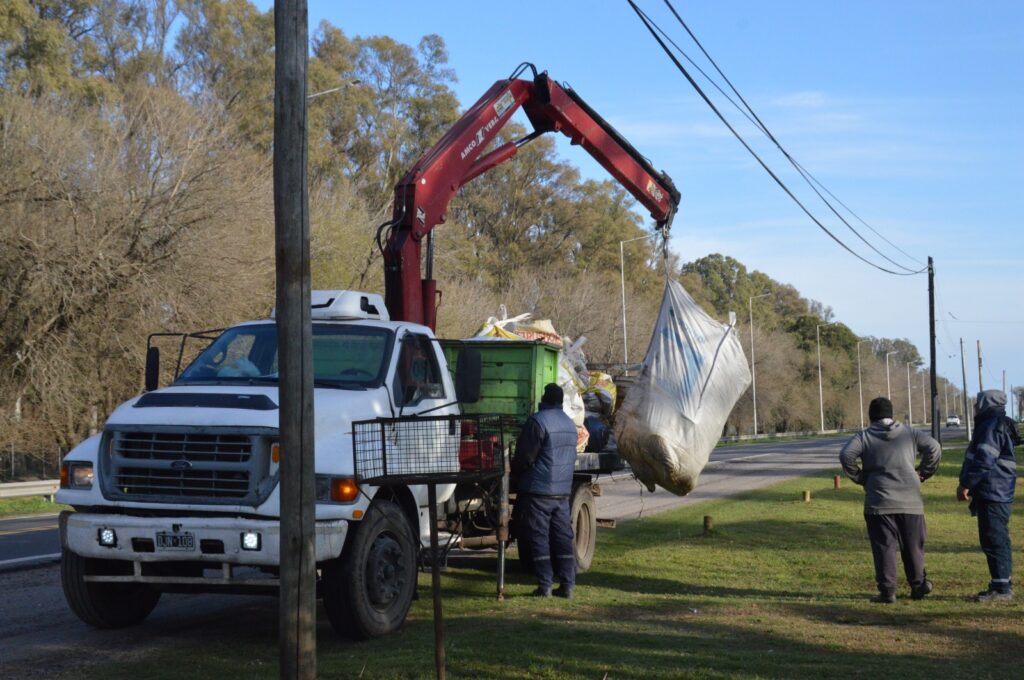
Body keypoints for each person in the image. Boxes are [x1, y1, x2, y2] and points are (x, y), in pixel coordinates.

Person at [840, 396, 941, 603]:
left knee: (884, 546)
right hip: (910, 500)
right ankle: (918, 584)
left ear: (870, 416)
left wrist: (861, 478)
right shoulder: (910, 433)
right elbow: (934, 448)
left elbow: (846, 455)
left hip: (879, 501)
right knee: (913, 545)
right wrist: (922, 473)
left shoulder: (864, 437)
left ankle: (887, 592)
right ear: (891, 414)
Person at [513, 383, 578, 598]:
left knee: (539, 538)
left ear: (544, 398)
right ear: (560, 401)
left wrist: (516, 475)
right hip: (562, 491)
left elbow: (525, 457)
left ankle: (545, 585)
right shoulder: (570, 424)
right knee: (562, 538)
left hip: (539, 491)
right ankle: (568, 585)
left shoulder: (537, 421)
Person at [957, 389, 1020, 602]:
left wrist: (966, 483)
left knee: (994, 539)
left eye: (977, 403)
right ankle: (1000, 584)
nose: (975, 406)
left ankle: (1002, 589)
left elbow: (985, 459)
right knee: (994, 538)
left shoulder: (991, 424)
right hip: (997, 489)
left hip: (994, 490)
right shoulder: (996, 422)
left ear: (986, 403)